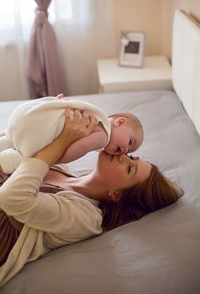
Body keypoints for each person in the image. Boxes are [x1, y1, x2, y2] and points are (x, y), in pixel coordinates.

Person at [0, 108, 183, 286]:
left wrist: (59, 144)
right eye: (131, 157)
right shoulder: (63, 168)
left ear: (116, 195)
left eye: (129, 169)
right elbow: (13, 143)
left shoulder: (86, 217)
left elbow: (11, 198)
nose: (123, 155)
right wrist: (51, 119)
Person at [0, 95, 143, 174]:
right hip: (31, 134)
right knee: (27, 155)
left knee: (11, 139)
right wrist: (56, 160)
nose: (125, 151)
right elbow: (78, 149)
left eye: (129, 151)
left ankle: (7, 140)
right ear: (120, 122)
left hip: (24, 114)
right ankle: (7, 159)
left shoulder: (97, 113)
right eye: (130, 142)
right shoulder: (103, 137)